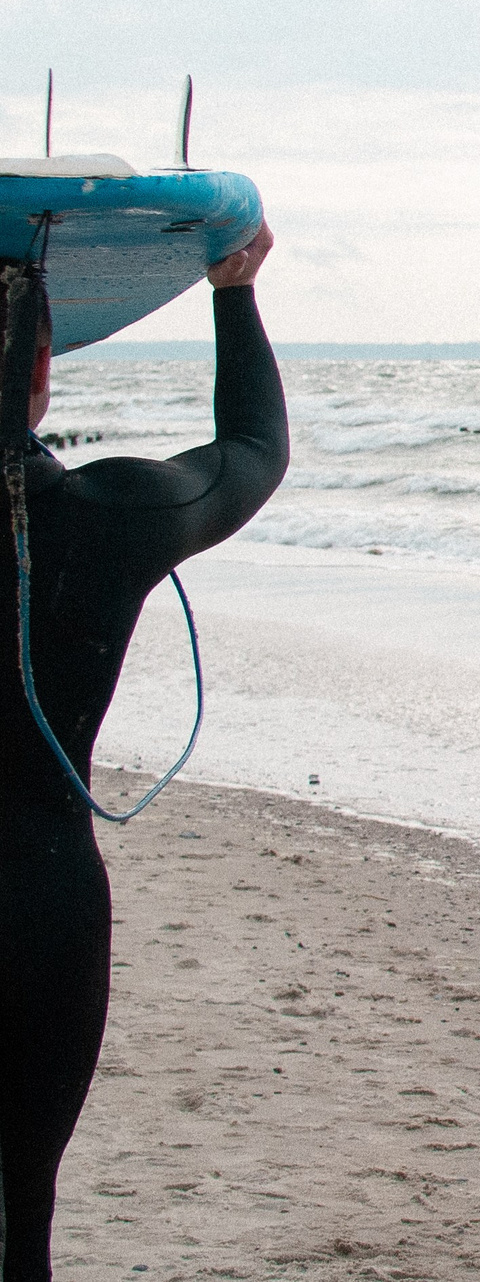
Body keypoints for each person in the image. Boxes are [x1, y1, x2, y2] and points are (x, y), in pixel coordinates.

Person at [0, 223, 287, 1282]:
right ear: (43, 363)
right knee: (19, 1209)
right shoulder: (106, 516)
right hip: (39, 908)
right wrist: (232, 292)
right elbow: (252, 451)